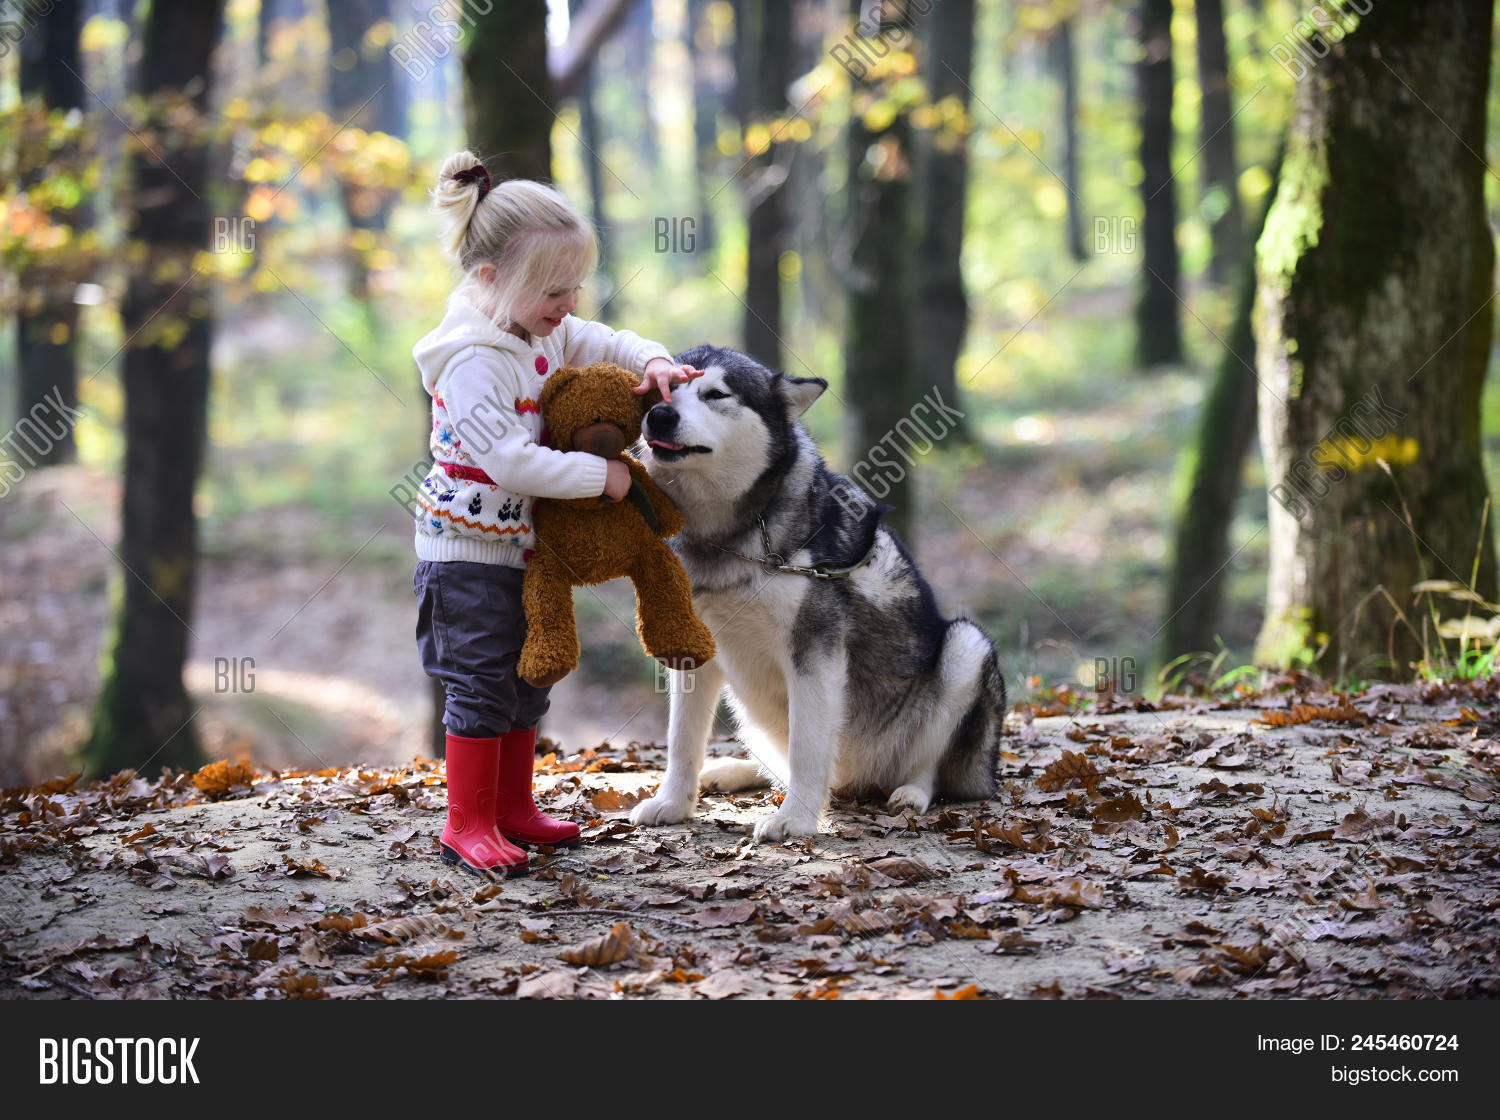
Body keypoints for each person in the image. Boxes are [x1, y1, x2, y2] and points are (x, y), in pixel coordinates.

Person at [411, 151, 702, 876]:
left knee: (525, 678)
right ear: (488, 279)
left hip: (524, 547)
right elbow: (510, 462)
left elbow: (608, 340)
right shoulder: (474, 359)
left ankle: (511, 806)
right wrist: (602, 478)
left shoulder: (538, 325)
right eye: (554, 290)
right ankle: (467, 819)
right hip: (465, 554)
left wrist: (656, 361)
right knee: (480, 680)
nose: (569, 303)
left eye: (575, 286)